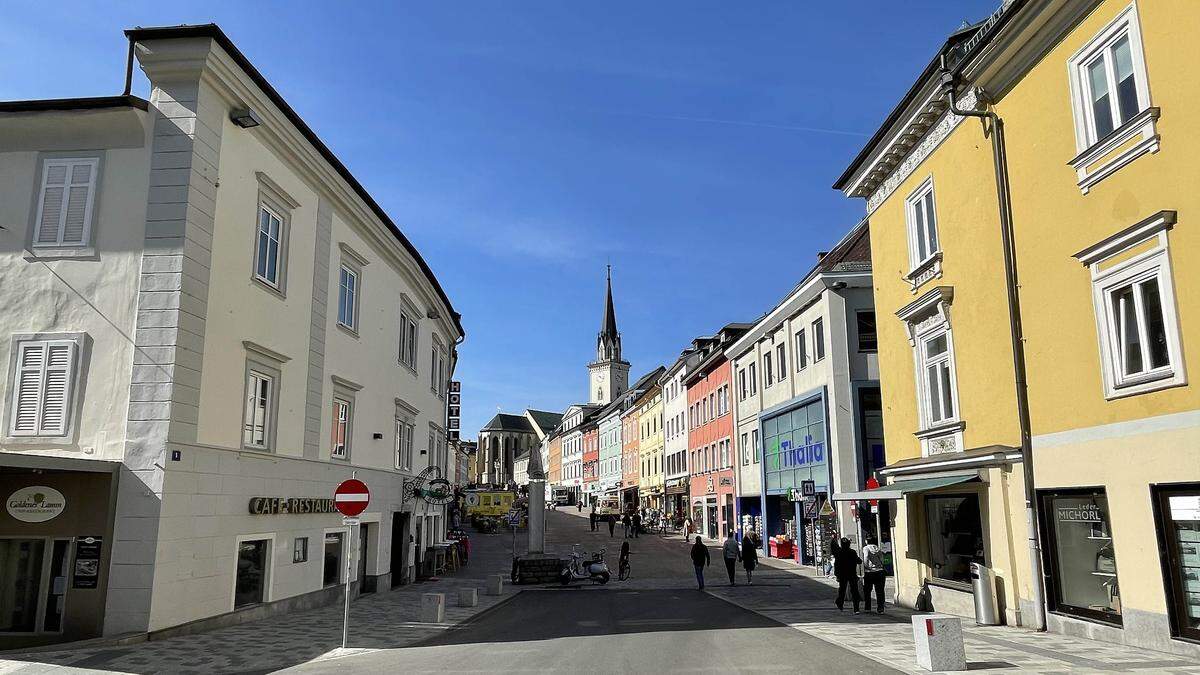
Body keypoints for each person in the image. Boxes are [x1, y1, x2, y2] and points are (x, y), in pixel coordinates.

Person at [833, 537, 862, 614]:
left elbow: (836, 564)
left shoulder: (838, 552)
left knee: (842, 590)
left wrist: (837, 574)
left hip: (842, 575)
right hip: (852, 574)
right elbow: (859, 561)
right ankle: (856, 608)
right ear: (849, 544)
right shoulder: (852, 552)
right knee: (854, 591)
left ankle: (840, 603)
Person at [861, 534, 886, 614]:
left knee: (867, 591)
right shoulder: (878, 548)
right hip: (880, 571)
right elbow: (882, 559)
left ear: (866, 541)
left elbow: (866, 557)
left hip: (870, 572)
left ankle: (868, 608)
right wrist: (881, 565)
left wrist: (866, 566)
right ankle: (880, 608)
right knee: (880, 591)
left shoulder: (866, 548)